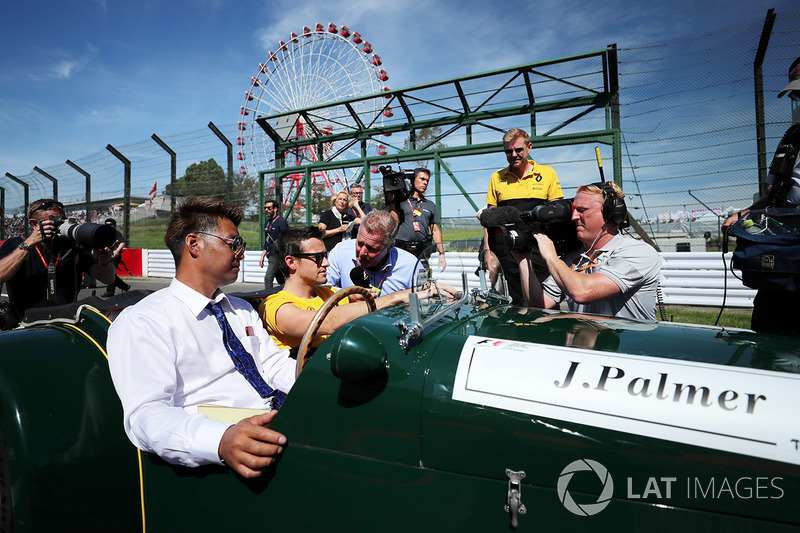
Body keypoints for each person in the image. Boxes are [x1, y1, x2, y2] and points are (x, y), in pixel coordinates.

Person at [107, 198, 294, 478]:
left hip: (285, 425)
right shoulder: (144, 320)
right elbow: (147, 415)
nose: (241, 253)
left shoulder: (240, 309)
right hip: (227, 457)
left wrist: (319, 379)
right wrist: (220, 440)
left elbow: (275, 366)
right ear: (194, 244)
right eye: (234, 243)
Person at [260, 226, 450, 355]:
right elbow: (327, 322)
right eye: (317, 258)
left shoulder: (328, 293)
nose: (326, 263)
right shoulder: (275, 306)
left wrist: (427, 292)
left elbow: (356, 306)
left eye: (324, 256)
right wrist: (398, 296)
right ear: (291, 262)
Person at [722, 56, 800, 335]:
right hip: (785, 252)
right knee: (769, 334)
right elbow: (775, 193)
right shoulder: (792, 137)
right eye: (797, 94)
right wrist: (744, 214)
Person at [523, 182, 661, 321]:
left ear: (609, 213)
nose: (574, 217)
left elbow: (583, 292)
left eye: (582, 210)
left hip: (629, 341)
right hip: (585, 341)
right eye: (574, 210)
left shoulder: (639, 252)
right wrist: (523, 259)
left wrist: (551, 258)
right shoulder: (574, 258)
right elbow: (540, 304)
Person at [0, 199, 116, 320]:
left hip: (65, 323)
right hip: (26, 325)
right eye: (54, 221)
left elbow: (107, 279)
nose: (59, 226)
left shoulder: (73, 248)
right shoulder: (15, 245)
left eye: (63, 220)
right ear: (34, 224)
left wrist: (105, 261)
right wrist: (29, 244)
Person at [484, 128, 564, 305]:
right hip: (509, 250)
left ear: (529, 147)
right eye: (508, 151)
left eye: (518, 149)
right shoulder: (496, 178)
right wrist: (489, 251)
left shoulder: (547, 173)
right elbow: (490, 220)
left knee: (544, 301)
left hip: (539, 250)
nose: (514, 154)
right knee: (515, 300)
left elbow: (557, 214)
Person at [326, 210, 419, 295]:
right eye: (360, 243)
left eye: (371, 248)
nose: (362, 252)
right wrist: (347, 297)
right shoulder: (340, 252)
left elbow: (424, 303)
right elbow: (322, 291)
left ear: (389, 247)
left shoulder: (410, 266)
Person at [389, 168, 446, 272]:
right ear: (413, 180)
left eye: (427, 180)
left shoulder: (430, 205)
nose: (425, 183)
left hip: (422, 250)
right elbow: (392, 221)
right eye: (422, 179)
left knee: (423, 281)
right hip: (401, 248)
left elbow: (435, 230)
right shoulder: (401, 202)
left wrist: (441, 254)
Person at [258, 199, 289, 289]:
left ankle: (267, 298)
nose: (266, 210)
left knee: (268, 278)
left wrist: (283, 253)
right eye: (265, 208)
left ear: (275, 209)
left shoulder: (281, 222)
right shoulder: (267, 223)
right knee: (281, 279)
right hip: (270, 253)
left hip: (277, 254)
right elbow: (268, 241)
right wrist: (262, 256)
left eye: (269, 208)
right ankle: (286, 292)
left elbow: (287, 238)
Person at [101, 218, 131, 297]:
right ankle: (124, 286)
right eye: (107, 224)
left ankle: (110, 291)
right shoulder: (104, 234)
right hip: (105, 255)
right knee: (108, 273)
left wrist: (116, 251)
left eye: (110, 224)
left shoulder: (116, 233)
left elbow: (122, 243)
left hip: (114, 256)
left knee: (111, 273)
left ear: (114, 225)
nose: (109, 226)